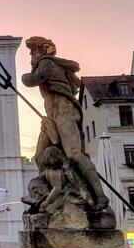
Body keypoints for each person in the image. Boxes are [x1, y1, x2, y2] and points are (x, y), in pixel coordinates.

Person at [21, 36, 109, 210]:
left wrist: (25, 75)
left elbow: (34, 79)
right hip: (52, 116)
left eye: (33, 51)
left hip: (64, 112)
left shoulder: (46, 62)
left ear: (43, 51)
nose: (31, 55)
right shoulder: (47, 63)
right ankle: (45, 195)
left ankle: (100, 196)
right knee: (39, 156)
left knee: (74, 154)